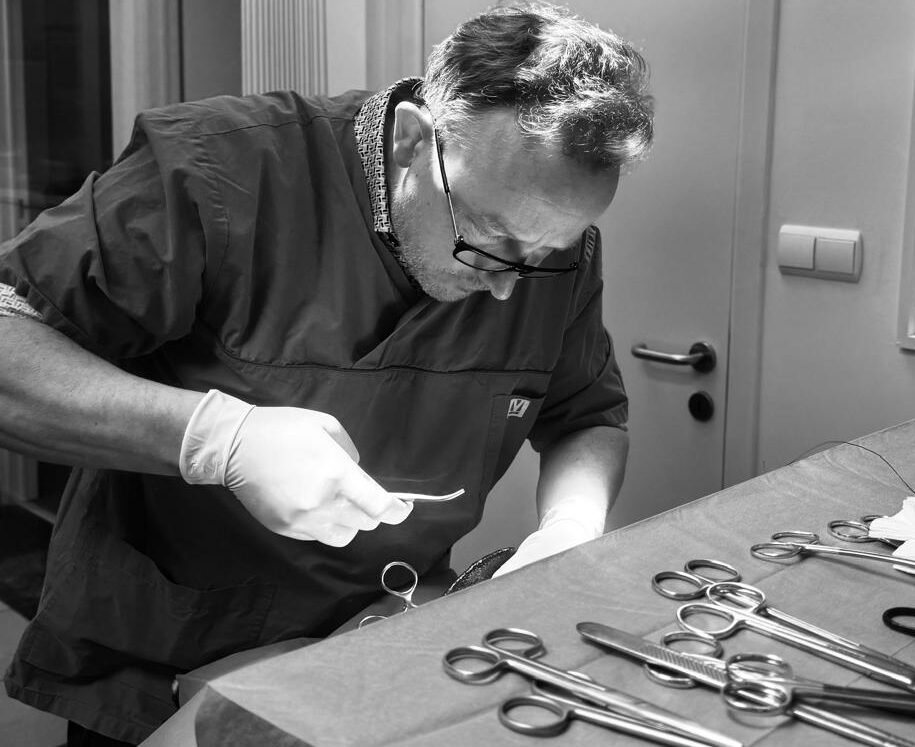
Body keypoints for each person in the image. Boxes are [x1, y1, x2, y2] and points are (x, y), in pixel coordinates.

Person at [0, 4, 653, 743]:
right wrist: (218, 438)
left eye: (545, 253)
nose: (509, 285)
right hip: (170, 650)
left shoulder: (544, 250)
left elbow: (586, 415)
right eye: (489, 235)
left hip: (382, 642)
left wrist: (571, 525)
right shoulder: (219, 170)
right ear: (413, 141)